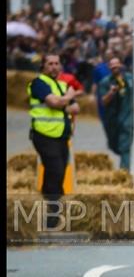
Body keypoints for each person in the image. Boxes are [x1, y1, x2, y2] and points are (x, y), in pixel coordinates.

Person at [28, 54, 80, 228]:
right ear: (43, 66)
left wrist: (63, 101)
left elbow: (76, 108)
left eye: (57, 63)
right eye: (50, 63)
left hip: (61, 136)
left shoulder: (62, 85)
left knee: (58, 174)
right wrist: (67, 99)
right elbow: (52, 103)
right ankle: (52, 217)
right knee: (55, 171)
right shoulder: (39, 83)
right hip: (44, 135)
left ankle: (50, 206)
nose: (54, 67)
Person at [97, 58, 134, 170]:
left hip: (127, 117)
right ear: (109, 68)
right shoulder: (105, 82)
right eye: (112, 67)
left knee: (125, 147)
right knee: (113, 146)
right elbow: (103, 101)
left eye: (117, 66)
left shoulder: (129, 78)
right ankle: (121, 153)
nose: (115, 68)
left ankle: (124, 172)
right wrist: (111, 93)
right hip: (111, 119)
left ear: (121, 66)